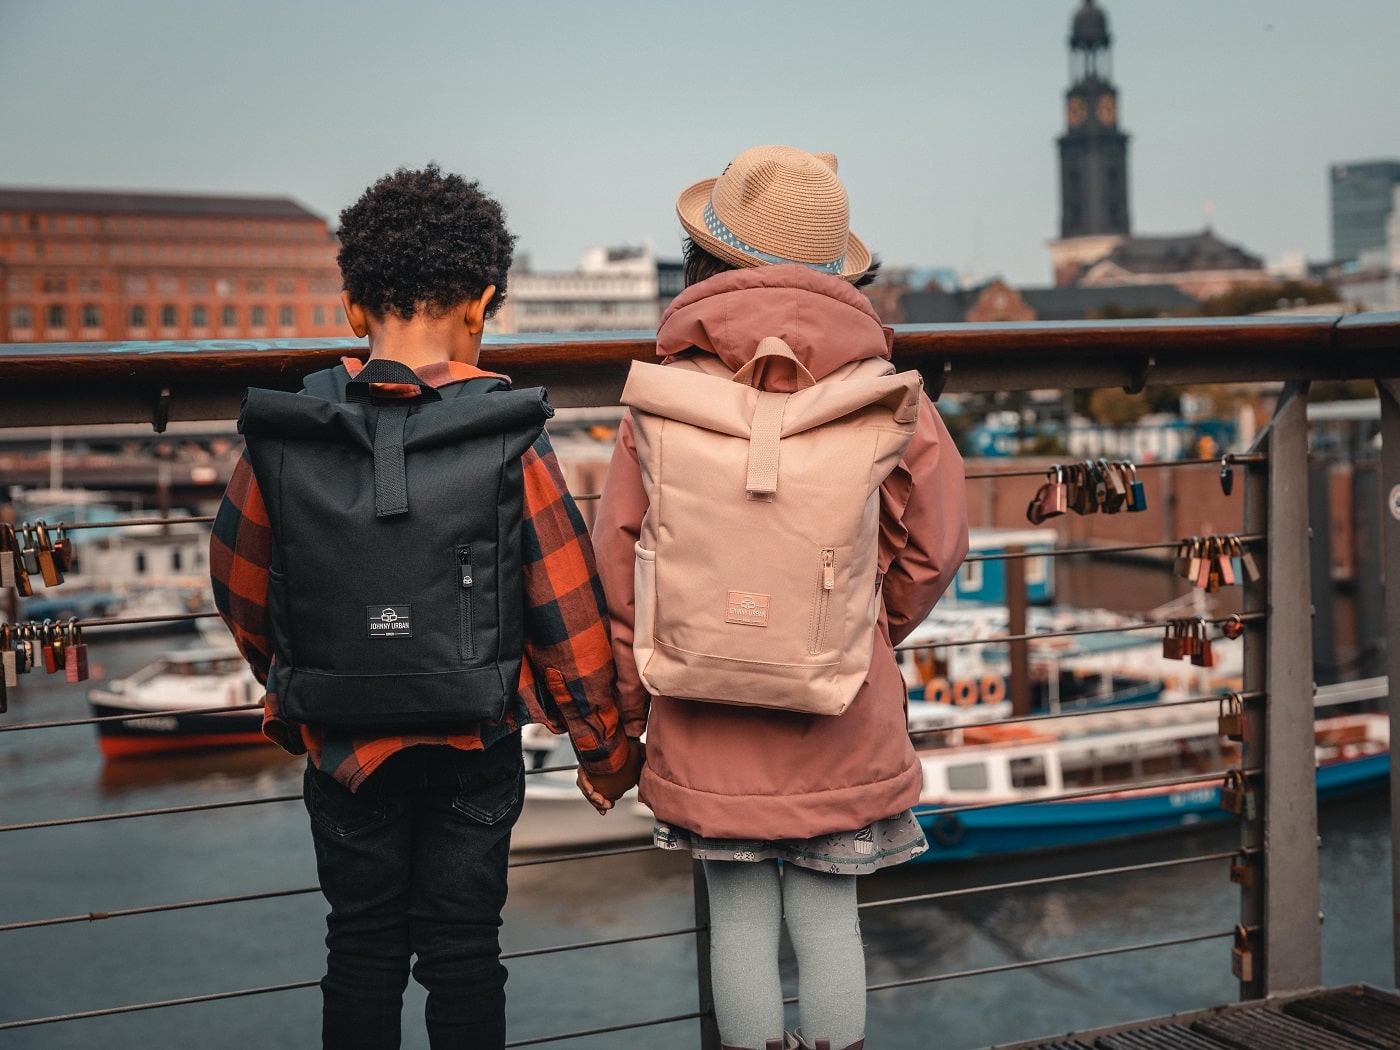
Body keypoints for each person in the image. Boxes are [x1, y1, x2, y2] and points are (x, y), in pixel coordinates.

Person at [210, 164, 643, 1050]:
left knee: (360, 947)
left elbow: (241, 583)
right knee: (464, 953)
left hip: (343, 744)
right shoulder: (504, 432)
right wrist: (604, 747)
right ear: (484, 306)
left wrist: (295, 684)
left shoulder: (289, 434)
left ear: (352, 307)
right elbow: (564, 608)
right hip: (471, 740)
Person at [587, 145, 969, 1050]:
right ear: (840, 273)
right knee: (831, 927)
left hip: (704, 715)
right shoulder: (887, 397)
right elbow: (938, 543)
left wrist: (635, 712)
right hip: (837, 711)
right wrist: (865, 631)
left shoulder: (664, 396)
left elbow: (620, 568)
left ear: (703, 264)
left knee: (744, 930)